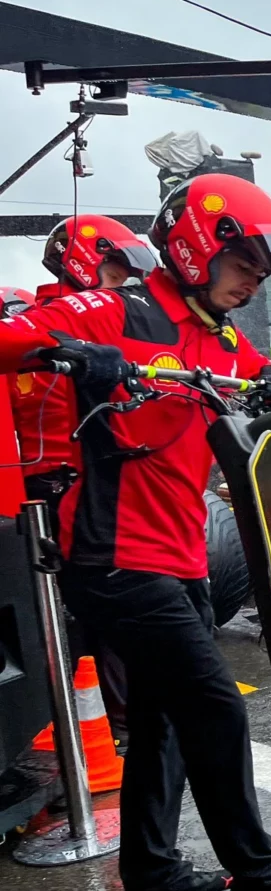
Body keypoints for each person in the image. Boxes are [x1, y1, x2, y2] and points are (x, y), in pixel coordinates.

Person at [0, 175, 271, 891]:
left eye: (261, 274)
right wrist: (74, 352)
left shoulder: (217, 336)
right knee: (213, 705)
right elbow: (15, 336)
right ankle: (263, 879)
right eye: (245, 266)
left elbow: (253, 378)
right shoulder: (121, 309)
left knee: (163, 717)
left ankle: (150, 878)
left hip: (178, 555)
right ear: (198, 249)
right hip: (111, 557)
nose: (253, 284)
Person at [14, 216, 155, 748]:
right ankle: (106, 730)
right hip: (52, 490)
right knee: (82, 612)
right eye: (116, 272)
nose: (123, 286)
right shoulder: (37, 328)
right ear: (84, 261)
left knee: (110, 610)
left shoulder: (115, 326)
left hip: (95, 482)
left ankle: (119, 725)